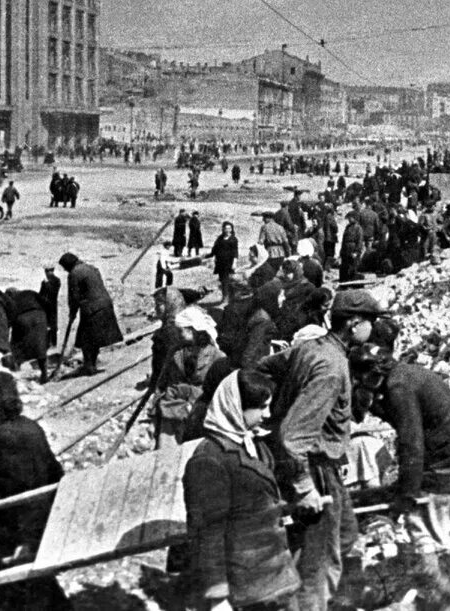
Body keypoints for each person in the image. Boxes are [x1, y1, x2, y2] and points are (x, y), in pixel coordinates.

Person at [256, 289, 389, 611]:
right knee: (320, 557)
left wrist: (283, 400)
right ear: (354, 324)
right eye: (370, 322)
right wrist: (304, 489)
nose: (374, 328)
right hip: (312, 469)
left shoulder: (309, 348)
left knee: (344, 535)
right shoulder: (331, 368)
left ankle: (338, 600)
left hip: (320, 466)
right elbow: (293, 437)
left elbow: (265, 365)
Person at [350, 344, 450, 607]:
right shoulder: (406, 374)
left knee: (420, 523)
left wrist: (408, 493)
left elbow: (411, 443)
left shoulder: (398, 388)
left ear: (369, 375)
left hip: (449, 459)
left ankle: (442, 596)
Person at [182, 369, 300, 611]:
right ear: (236, 406)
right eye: (261, 407)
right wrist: (217, 597)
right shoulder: (210, 459)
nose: (267, 414)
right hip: (247, 589)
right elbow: (207, 532)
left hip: (274, 576)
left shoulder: (251, 444)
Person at [0, 371, 69, 611]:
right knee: (35, 583)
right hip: (43, 522)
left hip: (16, 530)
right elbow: (56, 472)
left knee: (3, 594)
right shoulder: (31, 427)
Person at [154, 306, 224, 449]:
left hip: (201, 409)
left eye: (182, 330)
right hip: (175, 408)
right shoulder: (175, 352)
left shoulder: (216, 355)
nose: (178, 334)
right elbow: (163, 380)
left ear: (194, 330)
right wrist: (157, 402)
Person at [58, 252, 124, 375]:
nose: (65, 270)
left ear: (68, 265)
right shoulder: (91, 268)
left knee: (85, 339)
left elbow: (73, 296)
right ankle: (91, 364)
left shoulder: (74, 273)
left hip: (92, 309)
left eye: (65, 268)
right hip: (105, 304)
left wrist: (72, 313)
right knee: (95, 338)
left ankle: (88, 366)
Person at [4, 287, 53, 384]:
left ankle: (16, 372)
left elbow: (9, 321)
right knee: (40, 345)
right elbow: (47, 303)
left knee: (16, 343)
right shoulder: (30, 292)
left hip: (23, 318)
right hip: (40, 315)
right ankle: (44, 374)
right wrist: (49, 322)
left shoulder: (10, 301)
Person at [206, 221, 240, 301]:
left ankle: (226, 297)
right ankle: (227, 295)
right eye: (226, 228)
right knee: (222, 279)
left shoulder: (233, 239)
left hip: (228, 262)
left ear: (232, 229)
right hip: (220, 262)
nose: (227, 230)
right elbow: (215, 249)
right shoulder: (220, 238)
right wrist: (209, 255)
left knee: (225, 279)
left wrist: (234, 263)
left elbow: (235, 252)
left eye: (229, 228)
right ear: (223, 229)